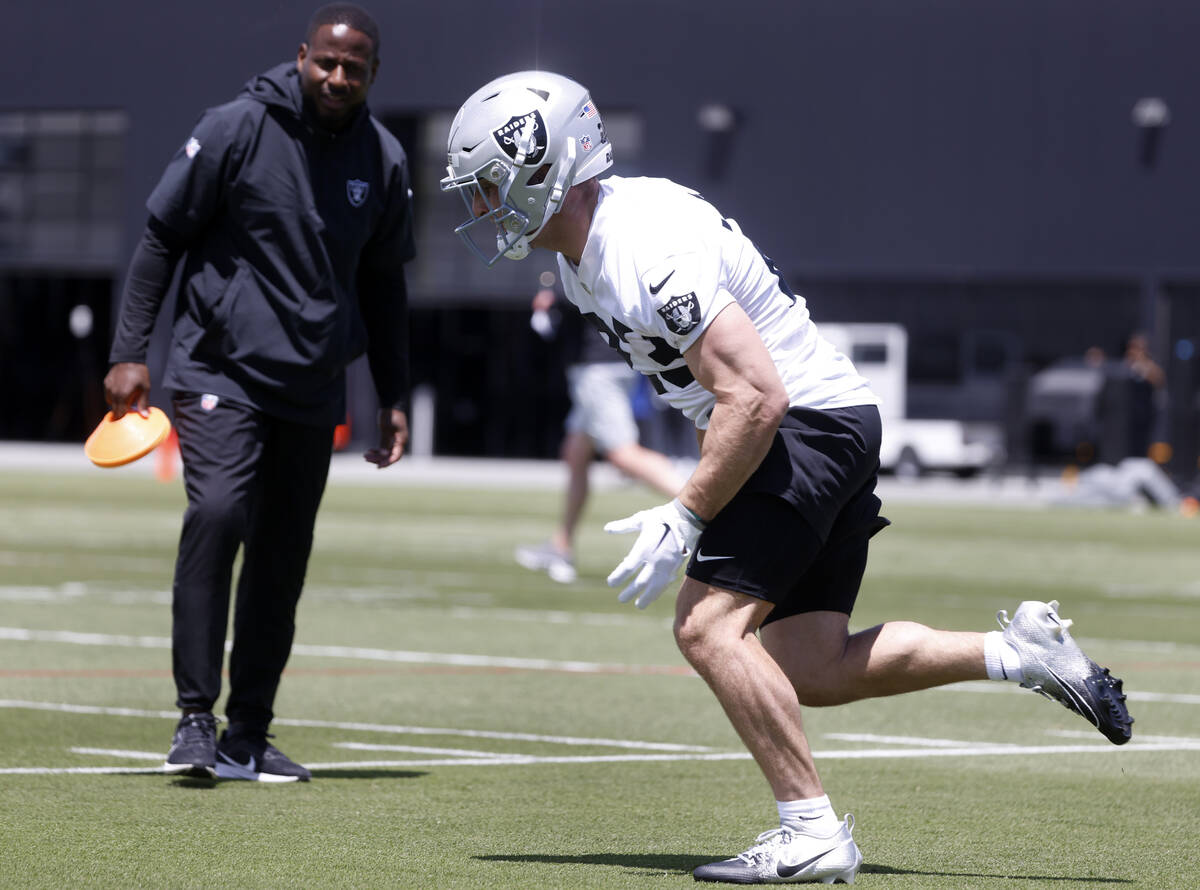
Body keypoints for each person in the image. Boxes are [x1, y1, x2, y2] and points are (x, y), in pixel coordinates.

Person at [441, 71, 1133, 884]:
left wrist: (688, 512)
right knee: (811, 664)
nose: (484, 205)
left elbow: (757, 396)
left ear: (550, 166)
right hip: (829, 419)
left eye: (493, 184)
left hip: (804, 423)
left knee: (707, 628)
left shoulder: (640, 246)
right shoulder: (589, 253)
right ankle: (1018, 653)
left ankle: (809, 830)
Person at [103, 3, 415, 783]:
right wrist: (128, 353)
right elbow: (161, 238)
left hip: (312, 384)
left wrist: (393, 393)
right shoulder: (237, 127)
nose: (338, 77)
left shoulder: (382, 160)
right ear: (301, 56)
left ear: (373, 74)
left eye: (355, 67)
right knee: (216, 514)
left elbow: (383, 288)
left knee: (282, 558)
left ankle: (248, 733)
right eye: (326, 62)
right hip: (218, 369)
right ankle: (193, 720)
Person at [515, 276, 685, 583]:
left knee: (623, 454)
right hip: (609, 364)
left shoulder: (582, 257)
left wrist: (548, 295)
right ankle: (560, 545)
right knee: (575, 452)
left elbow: (568, 293)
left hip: (597, 368)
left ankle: (706, 509)